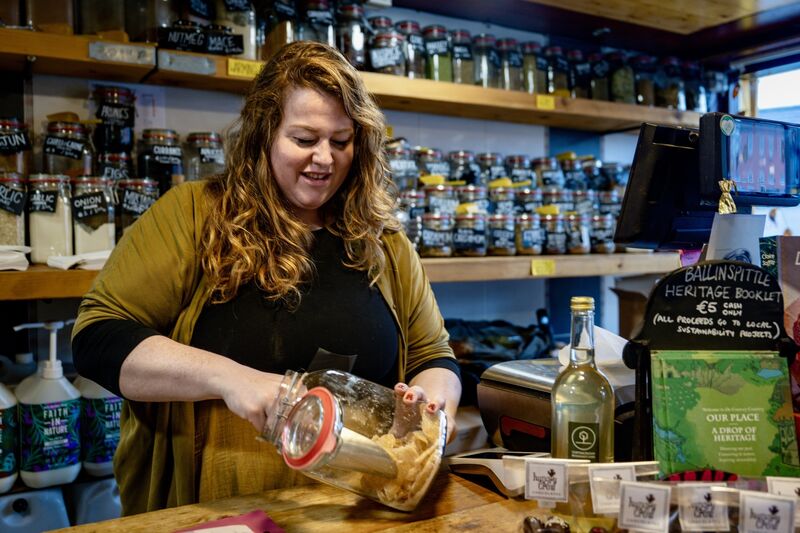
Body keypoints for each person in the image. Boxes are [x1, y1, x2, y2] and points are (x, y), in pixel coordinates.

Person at [72, 41, 462, 515]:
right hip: (219, 506)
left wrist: (432, 407)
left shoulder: (383, 240)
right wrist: (232, 378)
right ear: (263, 134)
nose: (325, 159)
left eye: (341, 141)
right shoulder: (194, 214)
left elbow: (433, 355)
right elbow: (98, 338)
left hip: (360, 508)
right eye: (304, 139)